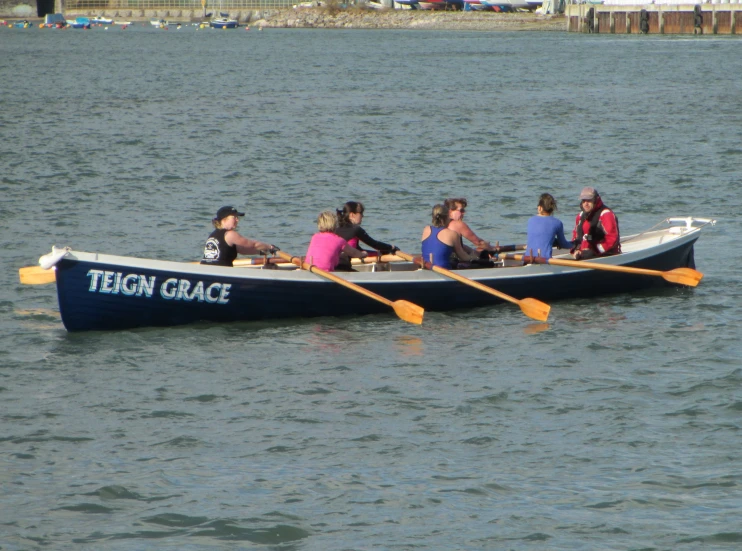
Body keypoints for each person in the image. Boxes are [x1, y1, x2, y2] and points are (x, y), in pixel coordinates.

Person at [201, 206, 275, 267]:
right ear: (224, 220)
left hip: (206, 269)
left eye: (237, 217)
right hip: (221, 273)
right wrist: (270, 247)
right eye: (234, 217)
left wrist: (263, 252)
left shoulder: (213, 235)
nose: (237, 220)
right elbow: (253, 245)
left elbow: (241, 250)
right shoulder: (230, 234)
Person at [334, 201, 398, 271]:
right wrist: (391, 248)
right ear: (352, 215)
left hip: (333, 265)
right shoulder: (356, 230)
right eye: (361, 213)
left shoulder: (335, 229)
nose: (363, 216)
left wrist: (379, 253)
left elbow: (356, 249)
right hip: (343, 266)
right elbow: (374, 244)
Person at [421, 204, 482, 269]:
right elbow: (463, 257)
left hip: (426, 267)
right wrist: (473, 257)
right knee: (481, 265)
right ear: (447, 217)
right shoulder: (453, 234)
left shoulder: (426, 229)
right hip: (444, 270)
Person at [571, 187, 621, 260]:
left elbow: (612, 239)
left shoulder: (606, 214)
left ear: (595, 200)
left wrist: (595, 251)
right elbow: (576, 236)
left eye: (589, 200)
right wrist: (576, 250)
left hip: (604, 255)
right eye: (584, 201)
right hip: (584, 254)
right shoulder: (580, 216)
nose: (586, 204)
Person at [524, 193, 573, 259]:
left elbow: (542, 236)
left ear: (540, 208)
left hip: (527, 258)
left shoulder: (530, 220)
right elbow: (563, 244)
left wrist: (555, 241)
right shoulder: (557, 223)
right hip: (544, 260)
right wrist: (575, 245)